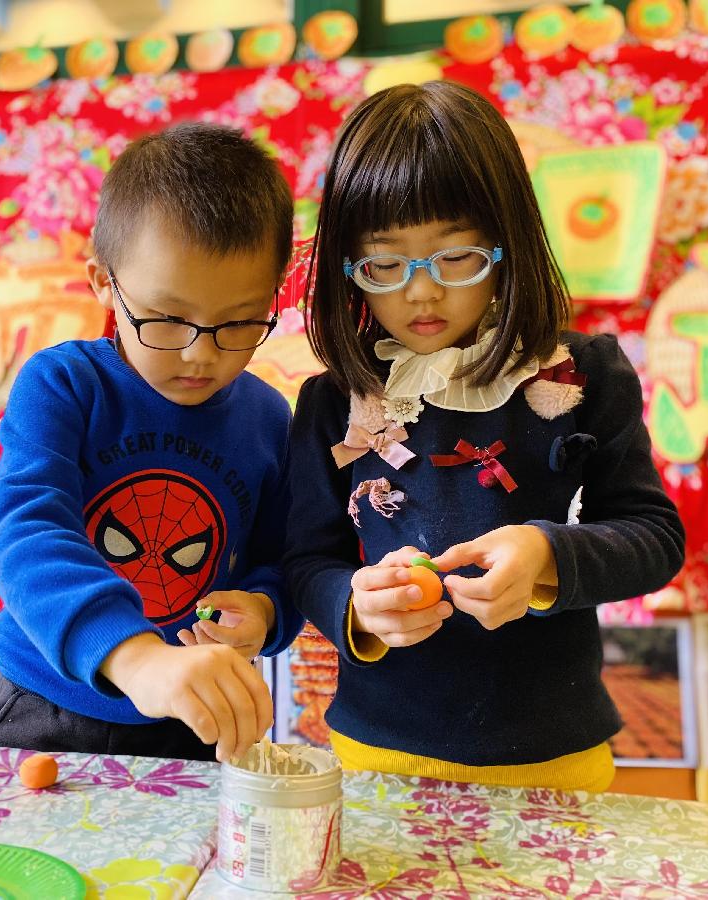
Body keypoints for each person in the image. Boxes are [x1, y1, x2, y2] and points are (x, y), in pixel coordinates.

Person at [284, 81, 685, 792]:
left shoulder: (584, 374)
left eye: (456, 256)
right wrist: (357, 603)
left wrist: (547, 554)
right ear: (348, 267)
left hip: (552, 754)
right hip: (377, 751)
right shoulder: (333, 400)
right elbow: (306, 561)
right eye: (384, 264)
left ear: (507, 243)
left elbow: (653, 537)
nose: (421, 291)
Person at [0, 123, 303, 764]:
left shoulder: (269, 418)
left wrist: (264, 609)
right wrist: (137, 658)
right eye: (167, 319)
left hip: (195, 711)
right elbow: (28, 532)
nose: (199, 353)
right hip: (49, 699)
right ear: (104, 282)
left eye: (239, 322)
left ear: (274, 293)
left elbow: (284, 559)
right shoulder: (63, 385)